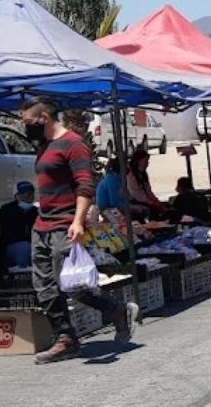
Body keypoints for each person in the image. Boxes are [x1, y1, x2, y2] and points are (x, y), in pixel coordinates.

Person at [19, 96, 137, 363]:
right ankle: (66, 338)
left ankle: (117, 310)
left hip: (65, 223)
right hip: (43, 224)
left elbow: (85, 185)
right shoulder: (44, 145)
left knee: (73, 284)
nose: (25, 128)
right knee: (45, 288)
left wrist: (78, 221)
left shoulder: (73, 144)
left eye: (27, 122)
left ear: (43, 119)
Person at [0, 180, 39, 269]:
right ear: (16, 196)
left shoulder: (36, 212)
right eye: (23, 193)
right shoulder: (6, 211)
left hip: (33, 246)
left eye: (30, 193)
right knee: (24, 248)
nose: (27, 196)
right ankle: (21, 276)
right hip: (10, 248)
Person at [126, 147, 168, 221]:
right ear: (138, 161)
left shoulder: (143, 174)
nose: (147, 163)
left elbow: (148, 191)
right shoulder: (131, 175)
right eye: (145, 160)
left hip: (144, 200)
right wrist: (151, 203)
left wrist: (156, 201)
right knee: (153, 210)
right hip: (134, 201)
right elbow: (136, 194)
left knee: (165, 206)